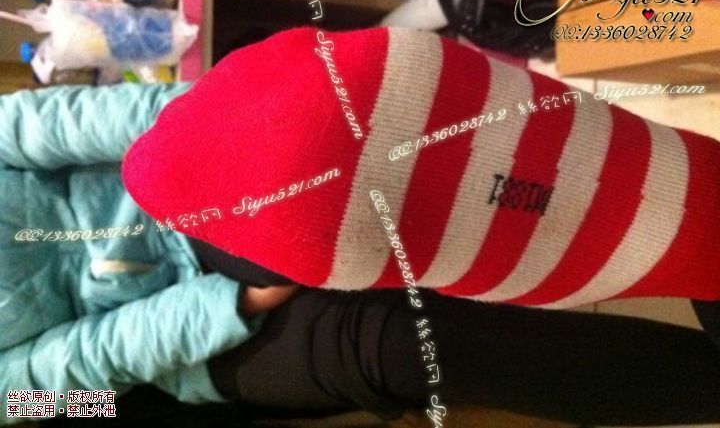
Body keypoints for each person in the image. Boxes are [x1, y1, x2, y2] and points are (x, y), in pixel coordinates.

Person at [2, 73, 720, 426]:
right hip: (182, 351)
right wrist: (229, 306)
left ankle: (695, 226)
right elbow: (55, 388)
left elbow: (67, 121)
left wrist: (215, 137)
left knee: (374, 158)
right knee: (406, 348)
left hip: (186, 178)